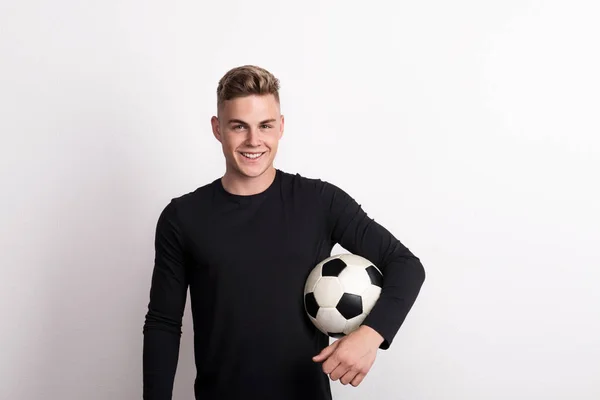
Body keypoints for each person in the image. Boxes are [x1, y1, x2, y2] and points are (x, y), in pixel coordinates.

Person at [142, 65, 426, 400]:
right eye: (238, 126)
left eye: (265, 126)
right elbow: (163, 323)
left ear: (281, 127)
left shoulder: (320, 201)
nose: (253, 140)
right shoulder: (182, 217)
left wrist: (370, 334)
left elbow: (405, 265)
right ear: (218, 129)